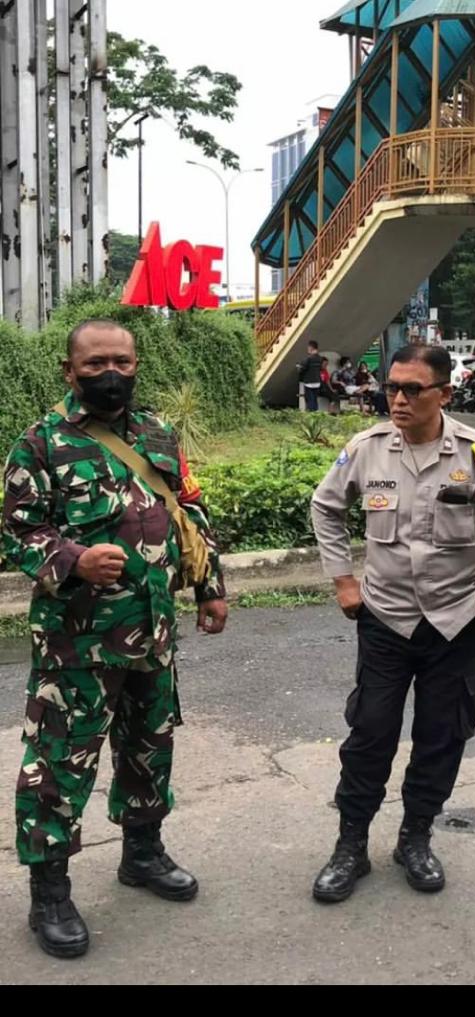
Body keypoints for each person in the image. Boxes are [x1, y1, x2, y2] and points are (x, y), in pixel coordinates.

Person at [2, 319, 229, 959]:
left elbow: (190, 513)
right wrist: (72, 558)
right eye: (97, 361)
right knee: (57, 768)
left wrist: (209, 584)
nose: (111, 373)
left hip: (153, 634)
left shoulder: (157, 432)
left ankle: (143, 853)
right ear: (70, 371)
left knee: (148, 749)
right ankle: (49, 893)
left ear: (136, 365)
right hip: (77, 645)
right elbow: (16, 530)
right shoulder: (41, 444)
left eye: (122, 361)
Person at [309, 343, 475, 904]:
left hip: (454, 625)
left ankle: (416, 838)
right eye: (392, 386)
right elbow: (325, 506)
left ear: (444, 394)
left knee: (442, 736)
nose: (398, 398)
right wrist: (343, 579)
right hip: (385, 619)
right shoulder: (365, 449)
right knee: (370, 734)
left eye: (413, 389)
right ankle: (350, 845)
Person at [297, 340, 326, 412]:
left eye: (308, 347)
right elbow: (320, 369)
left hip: (309, 382)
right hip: (317, 382)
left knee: (309, 400)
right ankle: (315, 414)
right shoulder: (320, 358)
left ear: (311, 348)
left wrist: (299, 367)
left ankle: (310, 414)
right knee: (315, 399)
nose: (307, 349)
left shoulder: (309, 359)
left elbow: (302, 368)